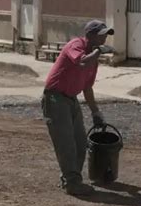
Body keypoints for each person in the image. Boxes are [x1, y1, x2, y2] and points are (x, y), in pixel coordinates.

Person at [41, 20, 114, 196]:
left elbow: (87, 88)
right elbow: (81, 62)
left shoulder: (94, 59)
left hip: (71, 99)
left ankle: (71, 179)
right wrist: (97, 52)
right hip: (55, 99)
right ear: (89, 35)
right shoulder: (76, 45)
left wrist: (96, 112)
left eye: (106, 34)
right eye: (101, 34)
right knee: (66, 143)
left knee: (81, 143)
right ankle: (72, 183)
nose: (104, 38)